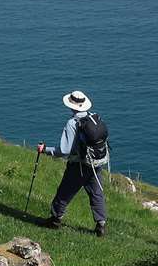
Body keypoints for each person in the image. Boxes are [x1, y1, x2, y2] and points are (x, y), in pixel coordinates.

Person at [36, 90, 108, 236]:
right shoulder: (93, 117)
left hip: (79, 164)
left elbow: (64, 150)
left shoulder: (72, 123)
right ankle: (101, 225)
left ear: (72, 105)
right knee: (96, 193)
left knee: (64, 192)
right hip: (95, 162)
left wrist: (45, 150)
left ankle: (55, 220)